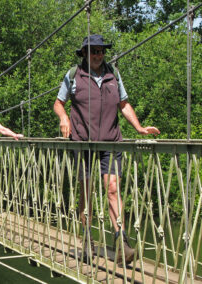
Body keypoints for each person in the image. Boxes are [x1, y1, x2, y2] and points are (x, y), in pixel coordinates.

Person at [53, 34, 160, 265]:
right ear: (84, 53)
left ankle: (121, 242)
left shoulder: (114, 75)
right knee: (87, 191)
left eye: (101, 51)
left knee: (112, 188)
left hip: (111, 141)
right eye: (93, 51)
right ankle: (88, 237)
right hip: (82, 142)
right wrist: (63, 118)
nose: (98, 55)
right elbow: (58, 103)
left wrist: (139, 128)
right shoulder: (73, 75)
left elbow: (124, 104)